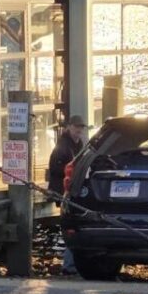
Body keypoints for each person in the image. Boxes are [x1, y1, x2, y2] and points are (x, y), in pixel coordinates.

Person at [47, 116, 87, 275]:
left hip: (73, 190)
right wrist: (71, 173)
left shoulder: (80, 144)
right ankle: (69, 264)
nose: (79, 130)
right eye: (76, 127)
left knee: (73, 225)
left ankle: (71, 263)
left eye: (81, 127)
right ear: (69, 127)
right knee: (72, 225)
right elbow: (55, 170)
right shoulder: (62, 146)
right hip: (62, 191)